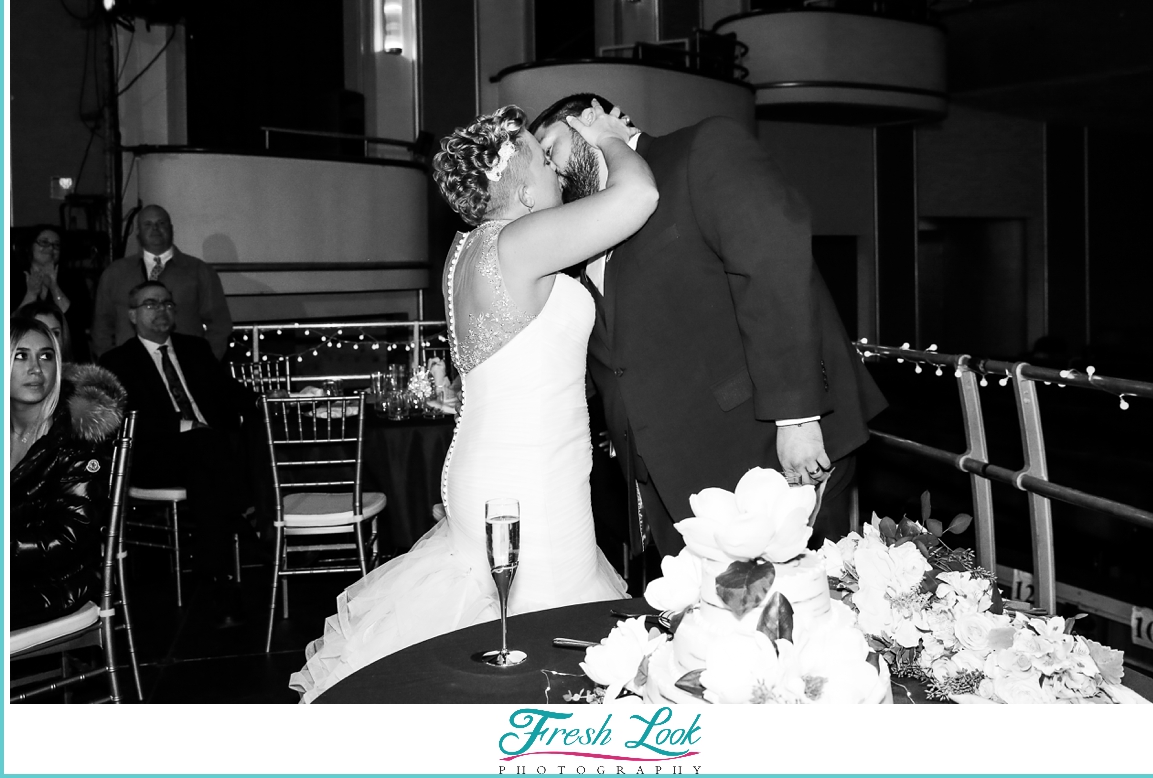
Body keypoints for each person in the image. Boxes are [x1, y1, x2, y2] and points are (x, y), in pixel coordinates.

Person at [289, 101, 655, 703]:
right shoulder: (520, 243)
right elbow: (637, 197)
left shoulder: (467, 251)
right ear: (526, 193)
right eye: (543, 161)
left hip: (489, 468)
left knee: (504, 630)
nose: (556, 172)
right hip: (528, 479)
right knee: (550, 636)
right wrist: (613, 140)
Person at [531, 94, 888, 558]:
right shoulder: (590, 224)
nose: (550, 169)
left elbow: (773, 266)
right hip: (666, 473)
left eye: (551, 147)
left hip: (761, 449)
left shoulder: (700, 149)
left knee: (794, 616)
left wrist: (797, 419)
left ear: (590, 118)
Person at [99, 280, 256, 628]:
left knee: (215, 452)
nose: (162, 310)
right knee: (207, 444)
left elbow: (228, 393)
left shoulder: (195, 349)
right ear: (132, 316)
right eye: (151, 304)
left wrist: (264, 401)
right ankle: (248, 511)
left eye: (168, 303)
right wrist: (184, 426)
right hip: (156, 456)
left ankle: (218, 576)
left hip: (206, 458)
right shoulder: (117, 362)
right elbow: (124, 420)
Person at [10, 315, 127, 630]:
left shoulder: (79, 438)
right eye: (20, 355)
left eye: (46, 356)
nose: (36, 368)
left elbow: (69, 538)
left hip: (57, 582)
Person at [91, 205, 233, 360]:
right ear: (138, 232)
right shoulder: (115, 274)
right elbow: (101, 326)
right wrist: (112, 365)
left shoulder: (199, 271)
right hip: (130, 369)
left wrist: (206, 363)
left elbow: (219, 324)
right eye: (148, 224)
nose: (155, 229)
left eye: (161, 223)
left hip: (186, 368)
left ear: (171, 229)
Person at [11, 225, 91, 361]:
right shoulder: (13, 278)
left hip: (69, 356)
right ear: (29, 246)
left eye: (56, 245)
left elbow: (79, 321)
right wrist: (31, 294)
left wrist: (54, 288)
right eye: (44, 242)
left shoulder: (73, 279)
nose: (50, 248)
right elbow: (11, 324)